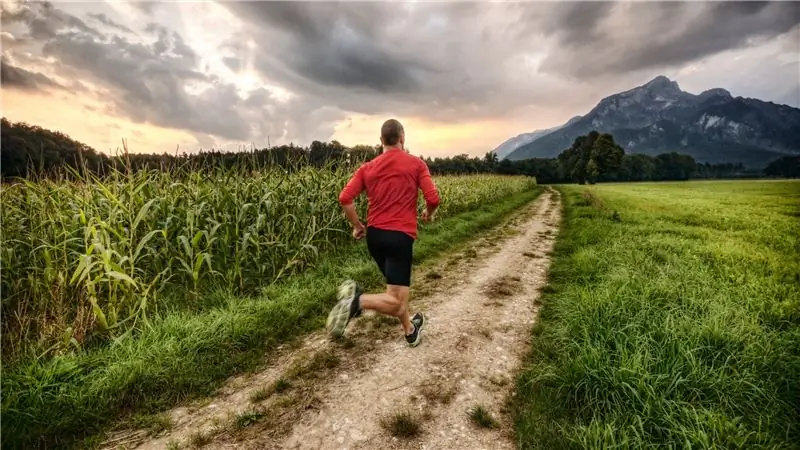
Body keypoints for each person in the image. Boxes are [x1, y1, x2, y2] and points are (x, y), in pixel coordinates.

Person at [326, 119, 440, 347]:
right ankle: (356, 302)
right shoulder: (416, 164)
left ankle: (410, 330)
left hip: (375, 237)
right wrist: (428, 213)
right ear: (402, 138)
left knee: (394, 291)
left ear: (381, 141)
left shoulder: (367, 168)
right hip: (399, 237)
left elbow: (345, 198)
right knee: (397, 302)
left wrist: (357, 225)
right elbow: (433, 198)